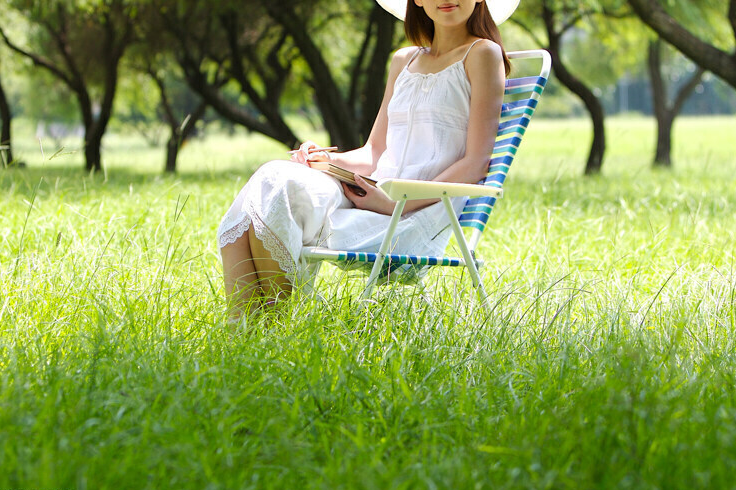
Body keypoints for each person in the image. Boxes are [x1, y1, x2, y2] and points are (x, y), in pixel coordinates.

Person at [217, 0, 517, 319]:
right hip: (370, 198)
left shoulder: (483, 54)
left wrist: (392, 201)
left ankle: (265, 334)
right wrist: (323, 161)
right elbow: (373, 153)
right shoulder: (404, 60)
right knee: (274, 176)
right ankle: (248, 335)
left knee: (275, 188)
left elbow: (476, 163)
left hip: (412, 216)